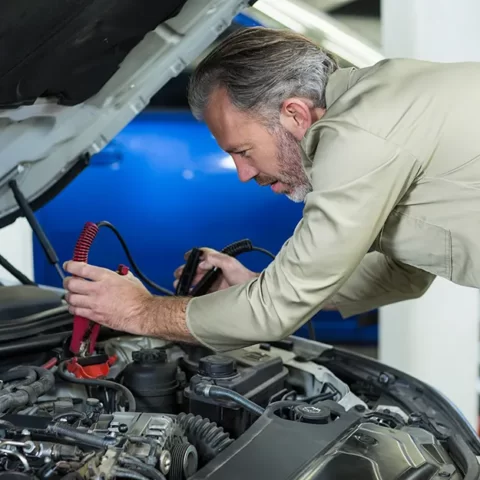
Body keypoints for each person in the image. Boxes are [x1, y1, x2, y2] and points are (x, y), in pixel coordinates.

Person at [62, 27, 480, 352]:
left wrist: (140, 311)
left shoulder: (360, 134)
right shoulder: (380, 104)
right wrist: (255, 282)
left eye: (243, 150)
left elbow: (278, 307)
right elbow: (402, 271)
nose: (243, 173)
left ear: (295, 114)